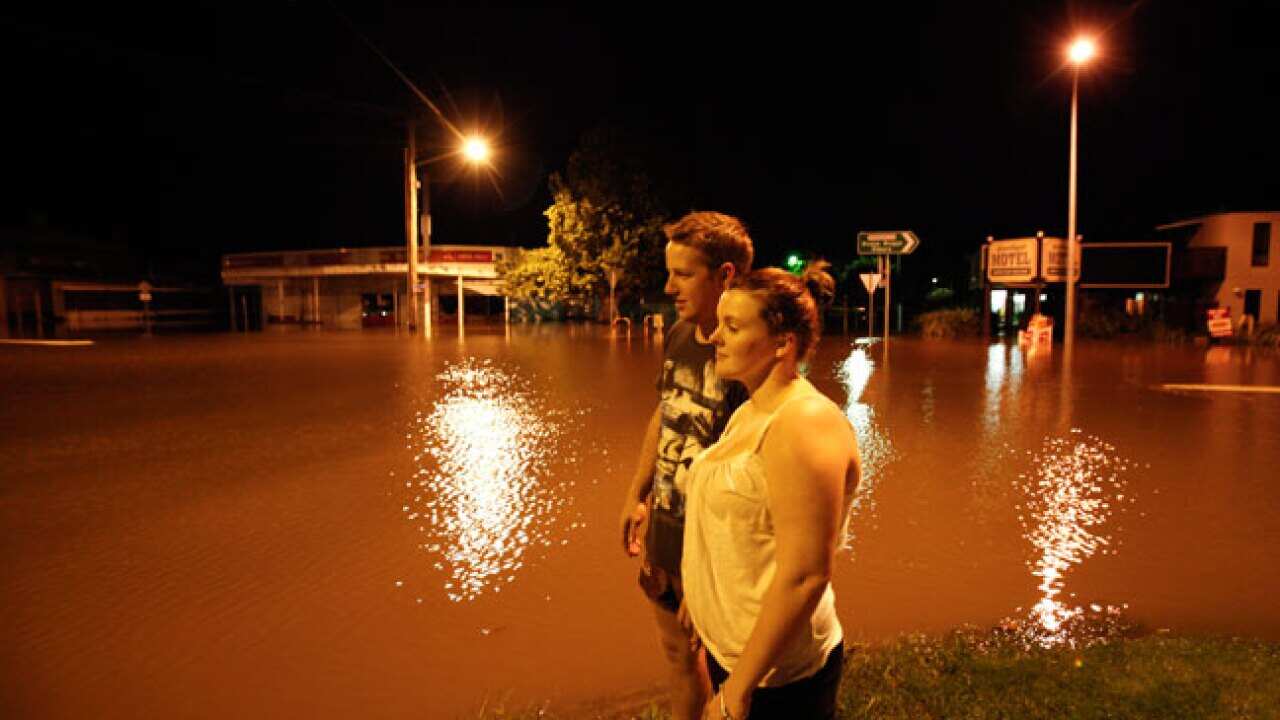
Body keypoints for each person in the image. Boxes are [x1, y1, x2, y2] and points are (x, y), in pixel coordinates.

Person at [681, 263, 861, 720]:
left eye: (733, 326)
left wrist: (738, 691)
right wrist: (704, 600)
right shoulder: (751, 410)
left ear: (784, 343)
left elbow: (805, 575)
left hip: (777, 676)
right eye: (720, 324)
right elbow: (743, 528)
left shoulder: (804, 425)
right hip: (739, 652)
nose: (713, 337)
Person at [618, 211, 754, 720]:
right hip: (666, 531)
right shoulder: (678, 337)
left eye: (684, 273)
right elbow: (667, 411)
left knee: (729, 673)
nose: (669, 286)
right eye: (669, 271)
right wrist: (638, 494)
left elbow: (752, 478)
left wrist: (709, 570)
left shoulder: (749, 357)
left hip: (716, 548)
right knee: (678, 659)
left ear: (725, 276)